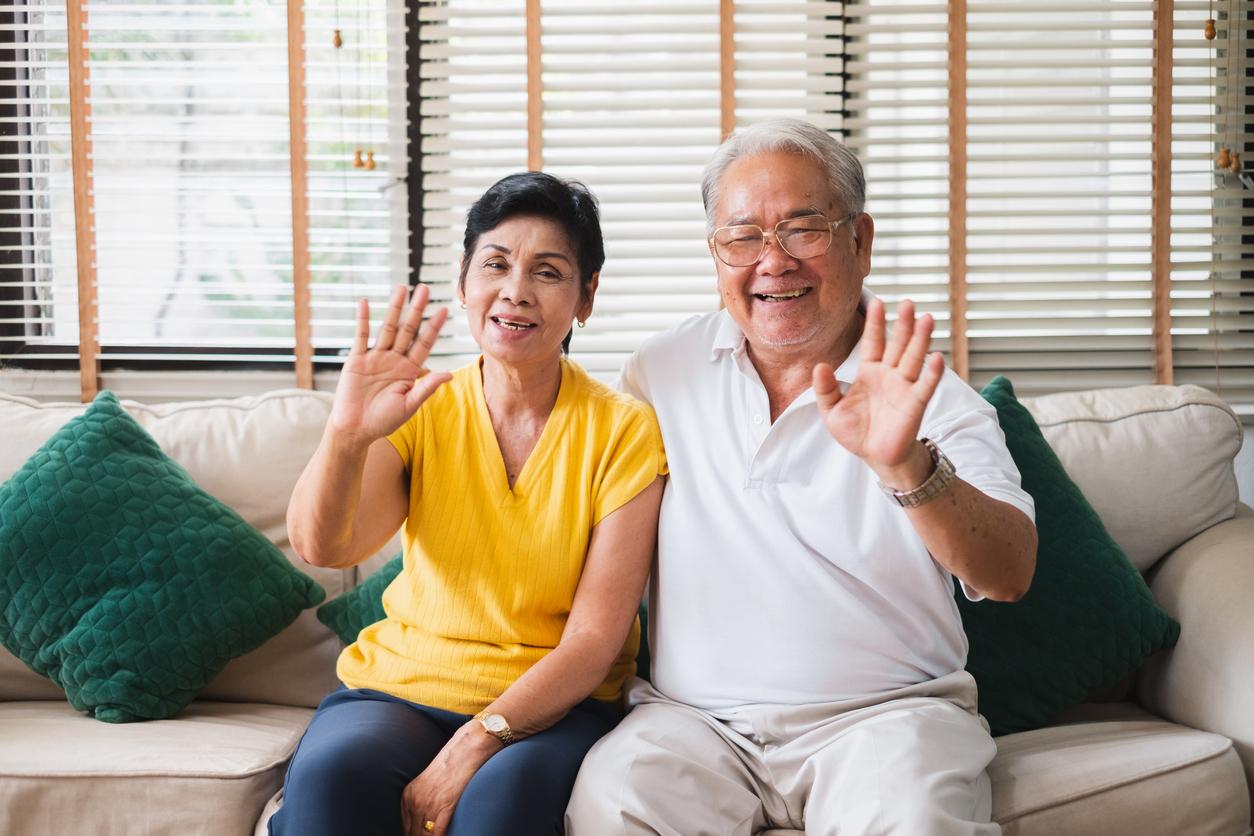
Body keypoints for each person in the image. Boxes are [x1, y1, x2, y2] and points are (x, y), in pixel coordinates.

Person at [565, 118, 1038, 834]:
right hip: (694, 726)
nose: (773, 261)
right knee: (614, 797)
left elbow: (1010, 572)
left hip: (885, 721)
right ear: (715, 254)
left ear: (861, 240)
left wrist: (905, 462)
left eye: (803, 228)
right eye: (743, 236)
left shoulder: (927, 391)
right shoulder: (657, 373)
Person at [272, 172, 667, 836]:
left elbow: (596, 640)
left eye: (548, 272)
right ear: (463, 284)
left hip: (555, 707)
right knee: (332, 780)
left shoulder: (623, 429)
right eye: (496, 264)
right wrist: (346, 435)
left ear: (585, 297)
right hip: (401, 690)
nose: (515, 291)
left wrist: (476, 742)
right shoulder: (421, 406)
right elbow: (326, 546)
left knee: (499, 812)